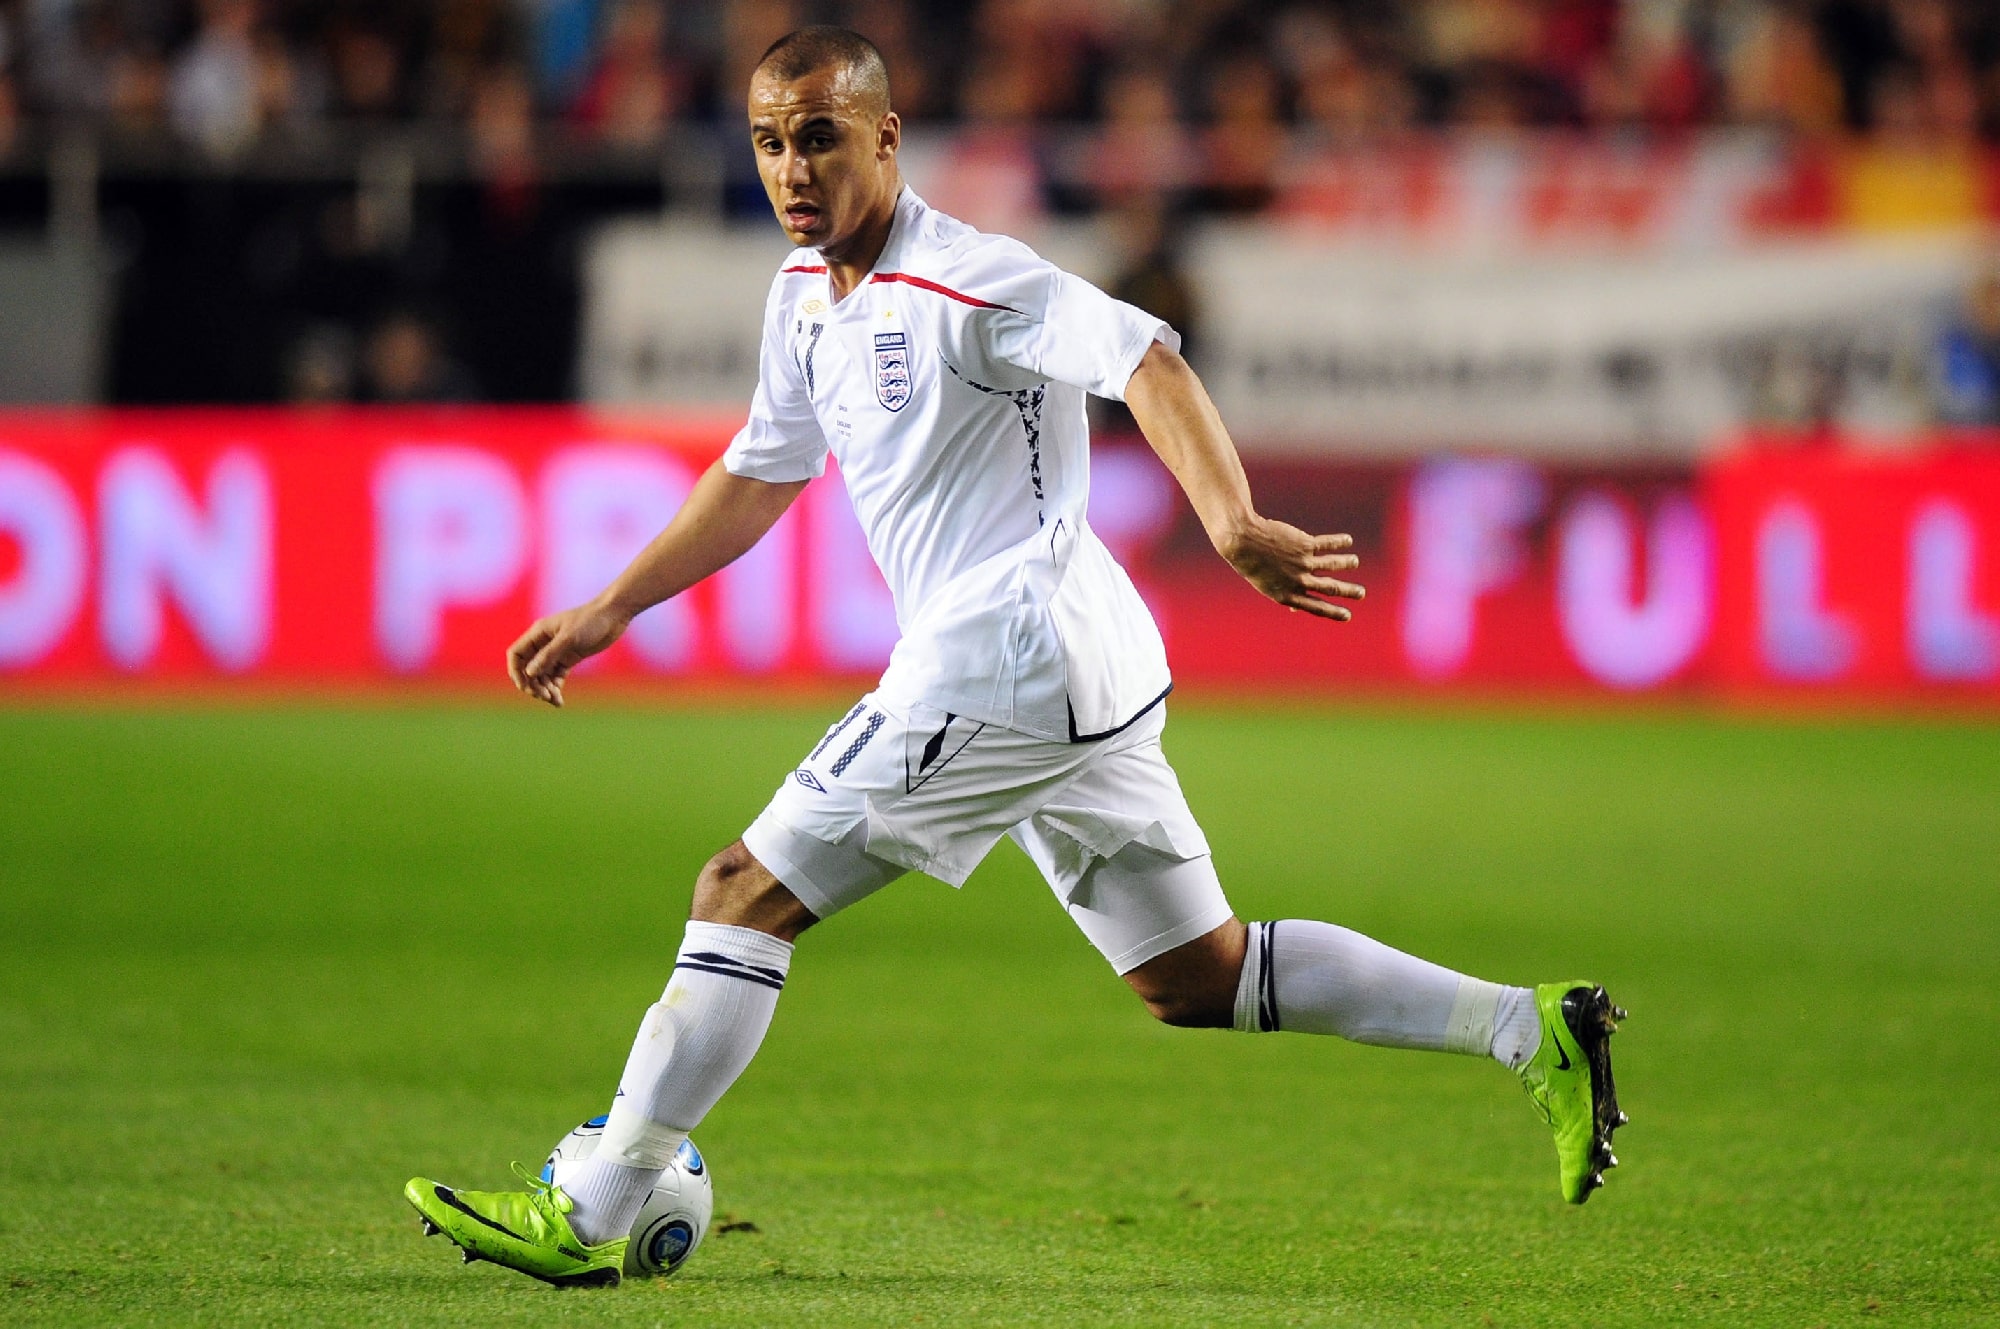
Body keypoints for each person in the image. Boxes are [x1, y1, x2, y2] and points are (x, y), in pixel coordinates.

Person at [404, 27, 1627, 1288]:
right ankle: (1525, 1028)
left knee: (740, 892)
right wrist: (613, 606)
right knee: (1195, 975)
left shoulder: (968, 279)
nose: (792, 170)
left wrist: (1230, 521)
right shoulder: (801, 297)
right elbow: (761, 470)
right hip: (1071, 672)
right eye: (769, 142)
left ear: (885, 138)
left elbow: (1144, 356)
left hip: (1000, 657)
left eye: (819, 137)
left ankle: (589, 1209)